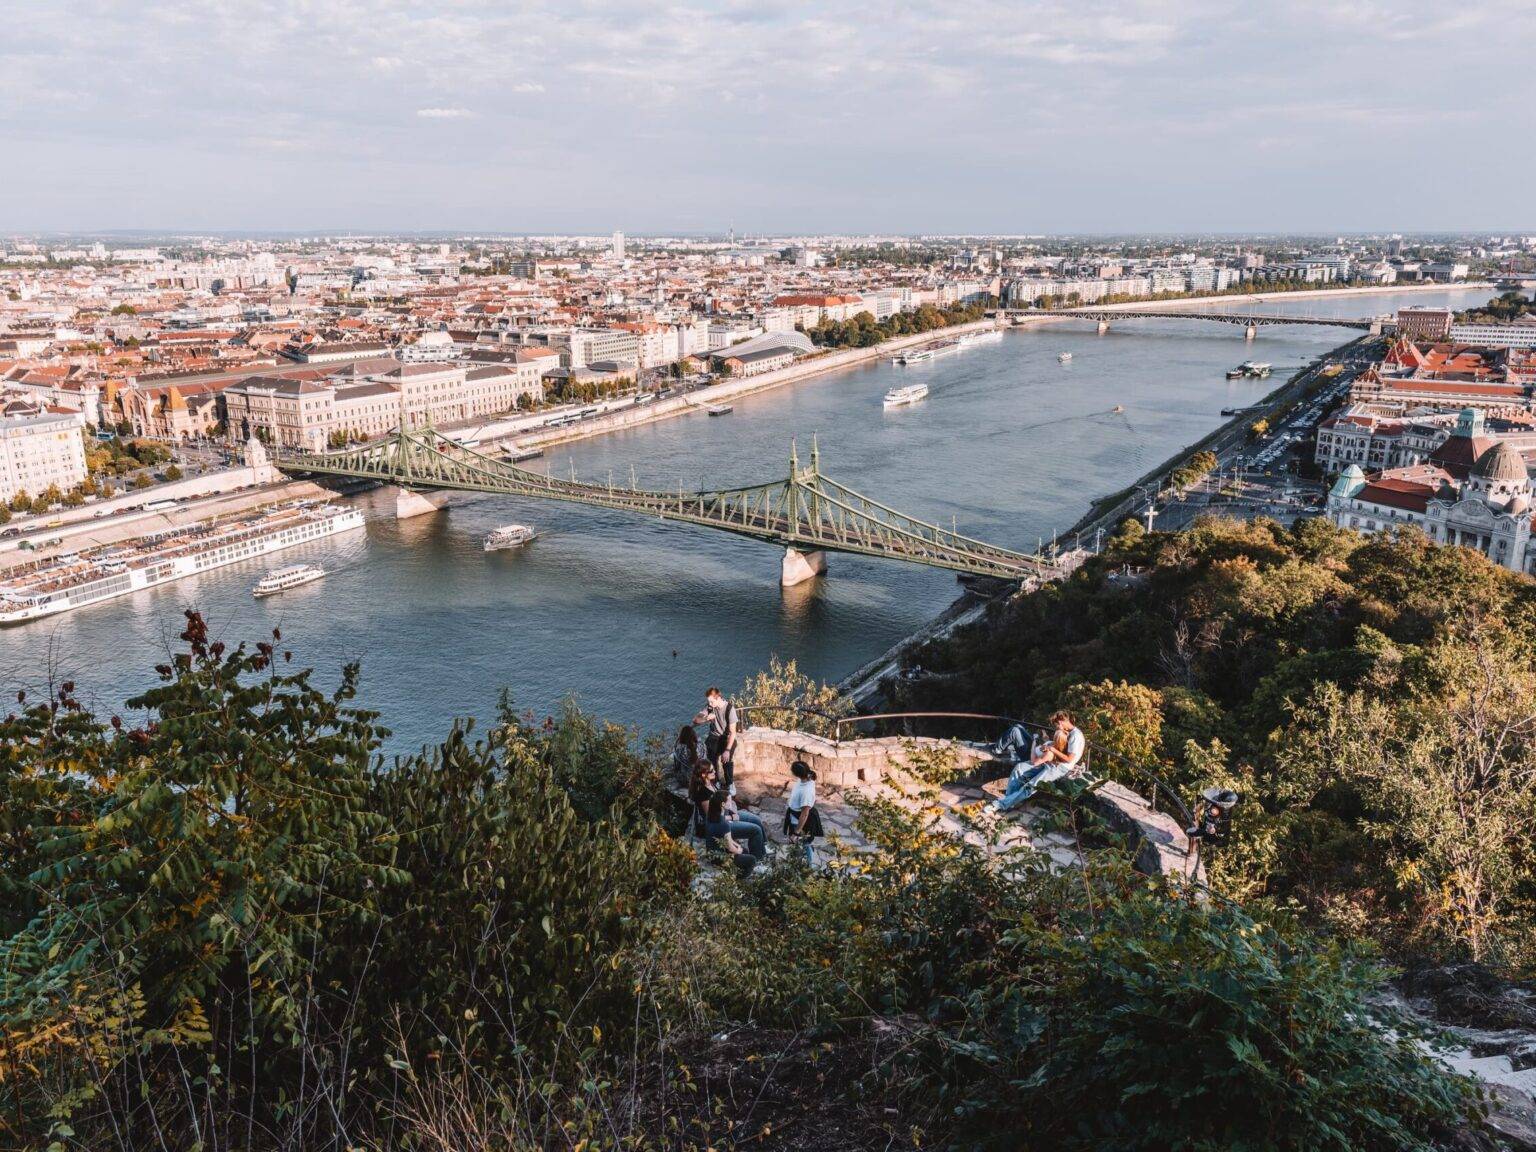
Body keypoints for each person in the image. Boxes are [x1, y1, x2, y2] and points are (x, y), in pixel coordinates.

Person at [990, 710, 1085, 814]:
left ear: (1061, 722)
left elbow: (1069, 759)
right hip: (1050, 760)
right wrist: (1048, 746)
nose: (1056, 728)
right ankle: (1009, 801)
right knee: (1019, 768)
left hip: (1060, 767)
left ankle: (1001, 804)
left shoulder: (1076, 736)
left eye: (1056, 725)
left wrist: (1052, 750)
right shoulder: (1068, 732)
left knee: (1032, 785)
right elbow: (1060, 746)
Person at [694, 686, 741, 794]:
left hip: (727, 737)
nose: (710, 704)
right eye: (709, 702)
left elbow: (733, 732)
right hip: (714, 736)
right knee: (711, 759)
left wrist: (727, 750)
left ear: (718, 698)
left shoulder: (730, 709)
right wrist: (706, 718)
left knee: (726, 760)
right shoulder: (710, 707)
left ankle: (730, 783)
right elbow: (696, 720)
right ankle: (716, 782)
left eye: (711, 701)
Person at [704, 790, 766, 861]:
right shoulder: (722, 823)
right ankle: (757, 860)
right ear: (723, 804)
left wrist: (732, 812)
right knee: (756, 830)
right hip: (724, 820)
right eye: (730, 801)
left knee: (756, 820)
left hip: (726, 813)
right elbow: (729, 844)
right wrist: (738, 850)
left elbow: (729, 798)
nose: (731, 802)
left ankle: (762, 848)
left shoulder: (716, 784)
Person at [784, 760, 821, 864]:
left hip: (800, 818)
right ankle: (799, 858)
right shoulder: (805, 778)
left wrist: (796, 832)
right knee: (800, 842)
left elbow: (804, 814)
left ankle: (809, 865)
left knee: (805, 843)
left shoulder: (806, 792)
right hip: (795, 814)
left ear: (797, 773)